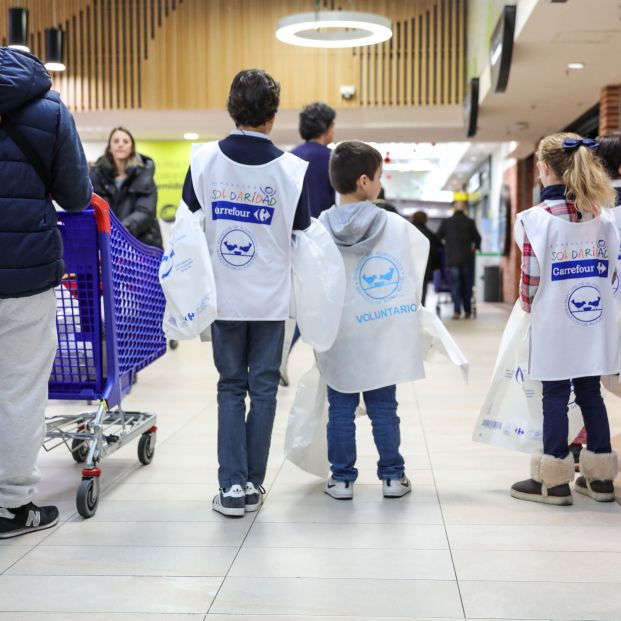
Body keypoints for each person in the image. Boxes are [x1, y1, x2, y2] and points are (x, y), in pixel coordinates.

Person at [181, 69, 311, 517]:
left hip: (225, 297)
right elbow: (302, 234)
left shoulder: (202, 161)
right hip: (272, 301)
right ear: (273, 117)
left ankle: (231, 487)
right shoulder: (293, 172)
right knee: (265, 389)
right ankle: (253, 483)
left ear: (231, 110)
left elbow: (186, 231)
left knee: (230, 387)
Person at [0, 48, 92, 538]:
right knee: (18, 389)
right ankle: (13, 505)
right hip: (25, 275)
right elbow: (76, 196)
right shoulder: (50, 111)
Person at [316, 141, 430, 500]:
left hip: (339, 335)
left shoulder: (319, 228)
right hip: (380, 331)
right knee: (383, 406)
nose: (381, 183)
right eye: (380, 176)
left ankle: (342, 479)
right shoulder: (394, 226)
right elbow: (410, 275)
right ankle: (393, 477)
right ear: (364, 181)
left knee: (341, 408)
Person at [510, 132, 618, 506]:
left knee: (554, 397)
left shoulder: (535, 220)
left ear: (542, 169)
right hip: (593, 324)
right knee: (591, 394)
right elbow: (613, 275)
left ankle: (554, 482)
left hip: (554, 325)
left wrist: (527, 305)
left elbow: (530, 282)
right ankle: (601, 479)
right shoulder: (603, 219)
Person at [90, 126, 162, 248]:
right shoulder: (96, 175)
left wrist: (121, 231)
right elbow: (92, 208)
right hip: (107, 242)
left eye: (125, 141)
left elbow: (145, 212)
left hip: (141, 244)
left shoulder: (145, 175)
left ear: (132, 147)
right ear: (109, 148)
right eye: (116, 141)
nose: (120, 145)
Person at [291, 102, 336, 219]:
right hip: (325, 228)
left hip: (295, 228)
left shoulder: (290, 157)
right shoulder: (334, 158)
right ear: (326, 128)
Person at [437, 200, 481, 319]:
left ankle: (456, 311)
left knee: (455, 285)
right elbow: (478, 239)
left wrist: (445, 248)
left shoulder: (447, 222)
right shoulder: (470, 222)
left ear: (454, 209)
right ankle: (467, 310)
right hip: (467, 260)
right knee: (467, 286)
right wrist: (475, 248)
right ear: (465, 209)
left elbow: (437, 238)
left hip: (452, 260)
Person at [412, 211, 442, 307]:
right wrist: (436, 266)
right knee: (423, 289)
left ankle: (409, 310)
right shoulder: (430, 234)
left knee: (409, 289)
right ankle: (421, 308)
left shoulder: (407, 230)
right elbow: (435, 251)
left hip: (409, 265)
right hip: (425, 267)